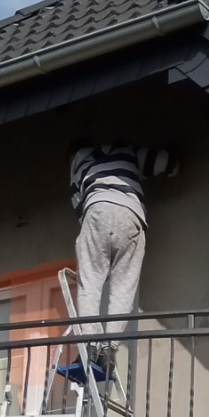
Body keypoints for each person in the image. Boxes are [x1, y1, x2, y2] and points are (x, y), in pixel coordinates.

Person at [67, 143, 178, 356]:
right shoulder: (126, 151)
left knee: (90, 282)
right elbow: (163, 161)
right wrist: (176, 165)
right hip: (130, 214)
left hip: (96, 210)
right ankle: (110, 348)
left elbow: (79, 210)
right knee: (123, 287)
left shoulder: (78, 169)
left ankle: (90, 343)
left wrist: (92, 247)